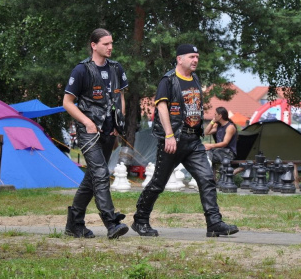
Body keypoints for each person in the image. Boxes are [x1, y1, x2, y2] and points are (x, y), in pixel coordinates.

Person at [131, 44, 239, 238]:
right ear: (179, 59)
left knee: (207, 179)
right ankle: (140, 220)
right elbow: (162, 108)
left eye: (197, 56)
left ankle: (214, 223)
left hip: (193, 141)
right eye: (191, 56)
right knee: (158, 183)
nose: (195, 60)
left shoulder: (195, 79)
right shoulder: (169, 80)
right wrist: (169, 135)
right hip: (173, 140)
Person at [63, 28, 129, 239]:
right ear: (94, 45)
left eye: (111, 43)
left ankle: (74, 224)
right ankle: (111, 223)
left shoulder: (116, 68)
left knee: (92, 177)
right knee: (100, 173)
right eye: (106, 44)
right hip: (89, 131)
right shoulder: (81, 70)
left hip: (110, 130)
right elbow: (67, 103)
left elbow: (120, 97)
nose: (110, 47)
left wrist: (120, 121)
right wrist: (86, 122)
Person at [204, 107, 238, 179]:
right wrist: (212, 122)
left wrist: (210, 145)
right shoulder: (218, 126)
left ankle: (208, 176)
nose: (214, 116)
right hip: (219, 151)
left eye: (215, 114)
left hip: (228, 153)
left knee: (207, 154)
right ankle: (208, 176)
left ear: (220, 116)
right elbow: (206, 132)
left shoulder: (230, 127)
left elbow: (225, 143)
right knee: (204, 152)